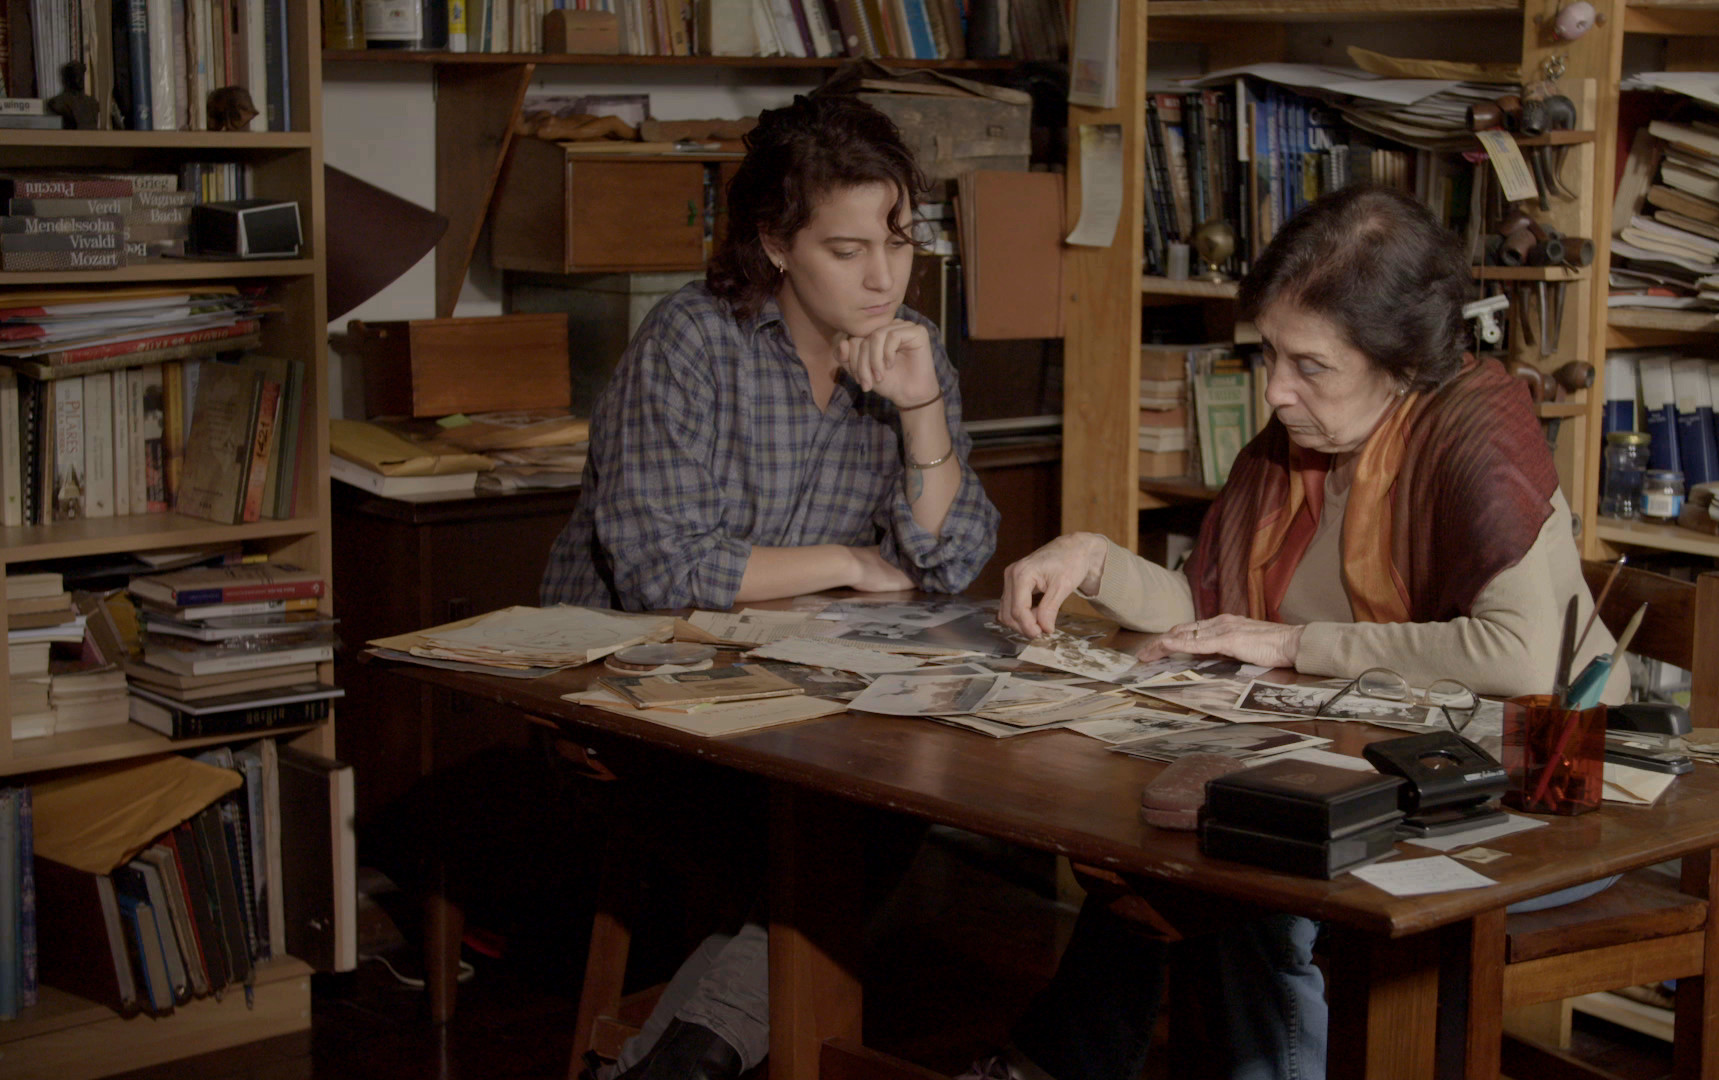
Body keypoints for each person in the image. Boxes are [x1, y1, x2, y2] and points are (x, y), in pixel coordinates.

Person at [982, 185, 1623, 1080]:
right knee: (1164, 843)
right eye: (1269, 354)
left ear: (1401, 360)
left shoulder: (1474, 426)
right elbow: (1210, 610)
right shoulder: (1306, 435)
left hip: (1530, 788)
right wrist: (1092, 559)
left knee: (1251, 867)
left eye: (1310, 364)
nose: (1276, 390)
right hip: (1365, 755)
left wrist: (1293, 645)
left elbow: (1516, 656)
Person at [541, 92, 999, 1080]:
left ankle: (677, 1063)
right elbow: (665, 571)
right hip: (631, 687)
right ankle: (698, 1055)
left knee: (886, 799)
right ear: (777, 244)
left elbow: (949, 560)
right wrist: (850, 562)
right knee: (847, 832)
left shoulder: (910, 348)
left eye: (898, 242)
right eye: (847, 250)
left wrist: (922, 408)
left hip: (797, 691)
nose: (882, 277)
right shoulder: (694, 339)